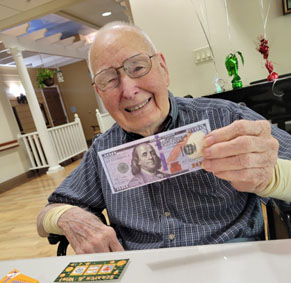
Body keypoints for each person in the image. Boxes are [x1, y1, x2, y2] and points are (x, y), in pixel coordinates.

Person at [37, 21, 291, 254]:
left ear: (163, 67)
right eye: (108, 80)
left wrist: (273, 176)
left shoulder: (226, 118)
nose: (128, 90)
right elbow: (46, 215)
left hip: (231, 263)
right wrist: (67, 217)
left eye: (137, 67)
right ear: (99, 93)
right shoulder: (102, 151)